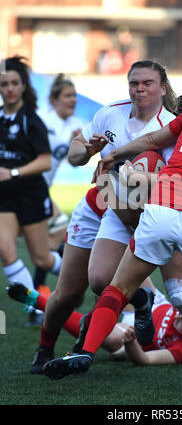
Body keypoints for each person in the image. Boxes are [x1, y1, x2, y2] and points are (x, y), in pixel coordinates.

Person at [43, 65, 182, 394]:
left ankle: (85, 351)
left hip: (161, 209)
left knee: (117, 288)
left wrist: (114, 154)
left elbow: (151, 140)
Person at [30, 60, 182, 374]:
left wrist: (132, 178)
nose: (140, 89)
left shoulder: (172, 124)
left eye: (147, 83)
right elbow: (75, 152)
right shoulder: (111, 113)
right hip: (100, 203)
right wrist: (86, 152)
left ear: (162, 88)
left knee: (165, 285)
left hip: (144, 215)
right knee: (72, 291)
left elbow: (179, 181)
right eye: (134, 83)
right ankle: (45, 347)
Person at [7, 281, 182, 367]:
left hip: (131, 338)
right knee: (128, 265)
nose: (179, 316)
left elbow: (146, 360)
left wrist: (130, 344)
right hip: (150, 306)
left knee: (113, 337)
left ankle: (37, 300)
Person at [0, 56, 62, 325]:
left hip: (31, 196)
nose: (9, 88)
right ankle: (35, 307)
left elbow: (45, 161)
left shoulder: (31, 120)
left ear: (23, 85)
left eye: (14, 83)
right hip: (5, 197)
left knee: (43, 258)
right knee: (6, 251)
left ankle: (80, 272)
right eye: (4, 84)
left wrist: (12, 172)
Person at [33, 73, 84, 298]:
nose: (72, 100)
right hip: (29, 189)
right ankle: (72, 286)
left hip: (41, 190)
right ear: (54, 100)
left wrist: (79, 145)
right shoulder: (42, 120)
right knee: (52, 242)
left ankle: (42, 296)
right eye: (67, 96)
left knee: (52, 243)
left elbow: (75, 163)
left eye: (74, 95)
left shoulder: (75, 125)